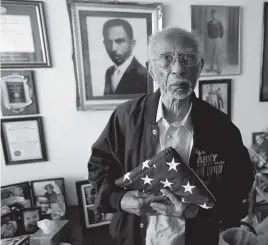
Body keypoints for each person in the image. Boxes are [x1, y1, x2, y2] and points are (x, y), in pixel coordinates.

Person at [88, 27, 253, 245]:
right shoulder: (126, 118)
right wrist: (119, 199)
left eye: (188, 58)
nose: (178, 68)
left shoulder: (220, 127)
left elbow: (239, 186)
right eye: (166, 58)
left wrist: (197, 211)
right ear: (150, 69)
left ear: (200, 67)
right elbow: (99, 169)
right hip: (134, 238)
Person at [103, 19, 151, 95]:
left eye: (120, 41)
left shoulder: (144, 76)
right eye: (108, 42)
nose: (113, 48)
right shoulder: (109, 72)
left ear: (132, 44)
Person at [206, 9, 224, 75]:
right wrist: (210, 37)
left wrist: (219, 37)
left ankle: (219, 69)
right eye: (212, 14)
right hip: (211, 39)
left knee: (217, 54)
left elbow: (222, 31)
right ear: (211, 15)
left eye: (215, 14)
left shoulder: (219, 22)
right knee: (211, 54)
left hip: (217, 39)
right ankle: (211, 68)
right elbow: (208, 31)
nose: (214, 15)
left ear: (217, 15)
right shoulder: (209, 23)